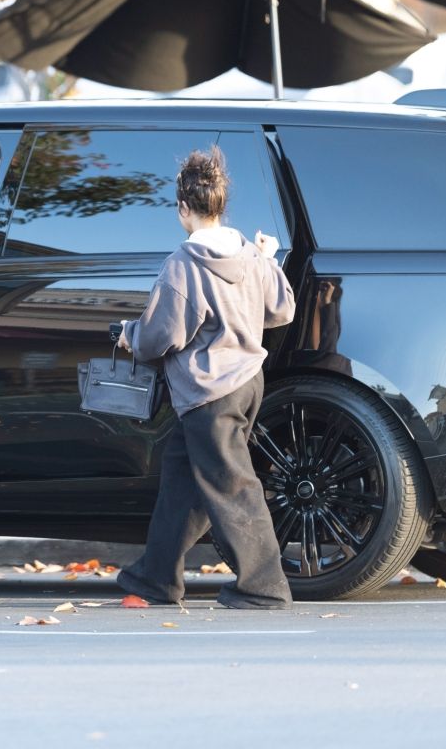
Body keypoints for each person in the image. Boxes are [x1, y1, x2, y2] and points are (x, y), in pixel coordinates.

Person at [116, 146, 296, 610]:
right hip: (246, 382)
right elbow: (281, 310)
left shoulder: (184, 264)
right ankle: (155, 578)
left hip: (209, 392)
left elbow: (161, 338)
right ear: (220, 205)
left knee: (232, 486)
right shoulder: (249, 254)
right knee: (183, 482)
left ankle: (264, 586)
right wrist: (269, 259)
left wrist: (129, 337)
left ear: (183, 208)